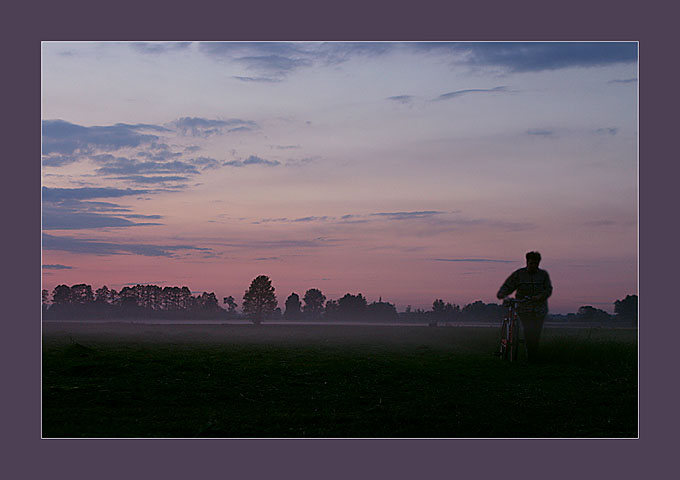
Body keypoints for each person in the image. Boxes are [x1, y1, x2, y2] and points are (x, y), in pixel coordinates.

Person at [497, 251, 553, 363]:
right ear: (527, 262)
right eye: (531, 263)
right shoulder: (519, 274)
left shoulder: (543, 275)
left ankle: (532, 355)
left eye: (536, 263)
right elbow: (508, 286)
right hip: (524, 308)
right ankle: (530, 356)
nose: (533, 266)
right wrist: (503, 295)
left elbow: (548, 289)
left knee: (536, 333)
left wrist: (540, 296)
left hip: (539, 309)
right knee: (528, 331)